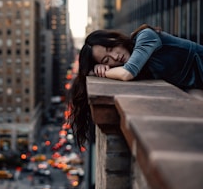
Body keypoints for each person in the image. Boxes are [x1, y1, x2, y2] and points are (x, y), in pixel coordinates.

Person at [68, 24, 203, 147]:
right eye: (106, 60)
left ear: (115, 39)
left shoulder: (145, 36)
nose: (115, 57)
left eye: (111, 48)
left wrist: (103, 72)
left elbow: (127, 73)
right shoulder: (139, 65)